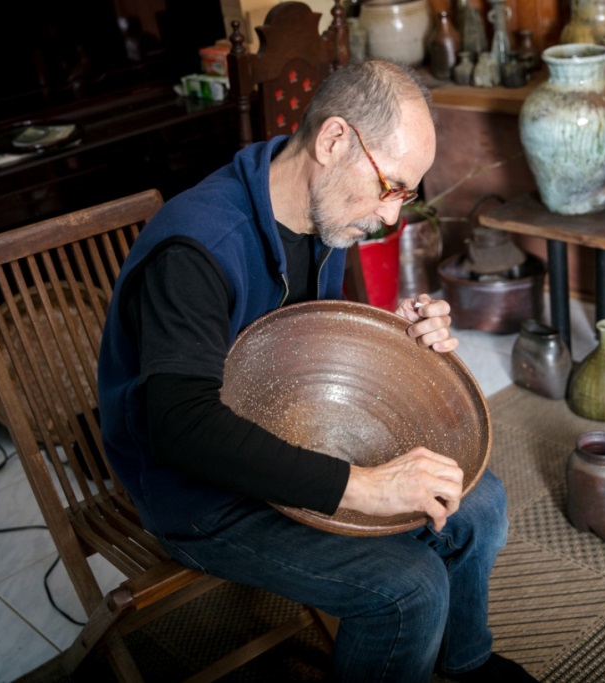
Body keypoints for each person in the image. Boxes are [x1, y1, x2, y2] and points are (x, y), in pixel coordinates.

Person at [98, 59, 535, 682]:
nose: (391, 218)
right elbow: (181, 428)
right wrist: (366, 488)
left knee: (479, 499)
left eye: (405, 195)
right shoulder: (196, 249)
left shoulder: (319, 210)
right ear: (333, 140)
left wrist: (397, 336)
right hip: (198, 492)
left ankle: (464, 662)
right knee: (409, 589)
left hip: (290, 431)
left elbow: (303, 340)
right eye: (389, 187)